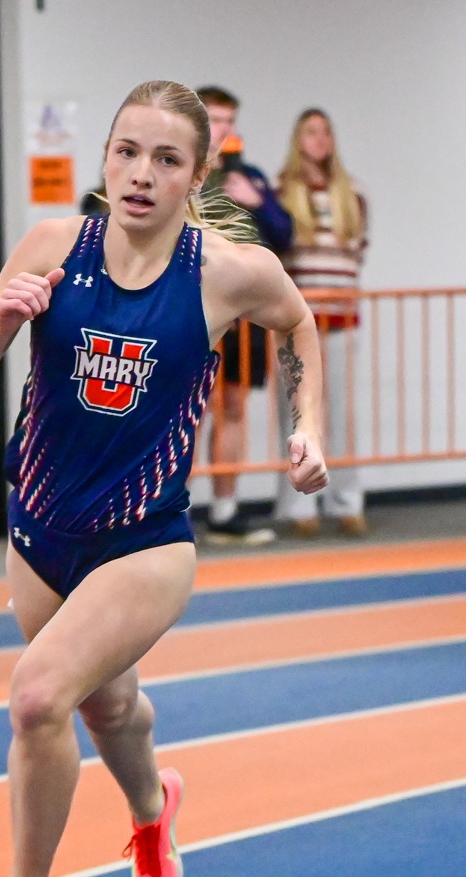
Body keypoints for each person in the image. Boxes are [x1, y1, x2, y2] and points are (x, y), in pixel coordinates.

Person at [0, 79, 328, 877]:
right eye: (126, 152)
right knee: (104, 706)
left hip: (144, 540)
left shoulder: (228, 271)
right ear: (105, 158)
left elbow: (297, 323)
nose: (141, 174)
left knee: (39, 697)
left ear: (198, 175)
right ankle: (154, 810)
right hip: (39, 529)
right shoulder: (52, 246)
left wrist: (308, 427)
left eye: (165, 159)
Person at [195, 86, 292, 545]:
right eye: (215, 119)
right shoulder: (182, 170)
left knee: (233, 409)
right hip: (194, 311)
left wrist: (258, 201)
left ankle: (225, 511)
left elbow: (284, 233)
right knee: (189, 413)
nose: (224, 129)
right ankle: (170, 511)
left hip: (243, 316)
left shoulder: (246, 175)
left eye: (229, 120)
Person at [275, 108, 370, 537]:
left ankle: (348, 503)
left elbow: (357, 251)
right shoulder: (281, 192)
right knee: (298, 414)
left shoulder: (354, 193)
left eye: (326, 132)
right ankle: (298, 508)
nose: (320, 139)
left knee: (343, 417)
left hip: (342, 318)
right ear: (298, 140)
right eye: (311, 132)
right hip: (298, 323)